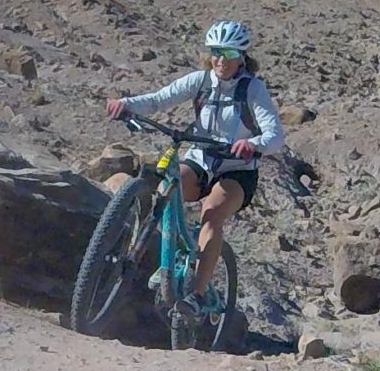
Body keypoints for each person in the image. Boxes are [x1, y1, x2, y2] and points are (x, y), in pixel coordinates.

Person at [105, 21, 285, 298]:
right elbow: (158, 100)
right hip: (201, 158)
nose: (221, 59)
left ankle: (196, 295)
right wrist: (127, 104)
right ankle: (168, 258)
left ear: (242, 57)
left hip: (237, 169)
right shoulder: (200, 81)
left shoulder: (253, 89)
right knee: (166, 189)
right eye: (215, 51)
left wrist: (252, 144)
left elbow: (275, 134)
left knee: (211, 213)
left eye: (229, 53)